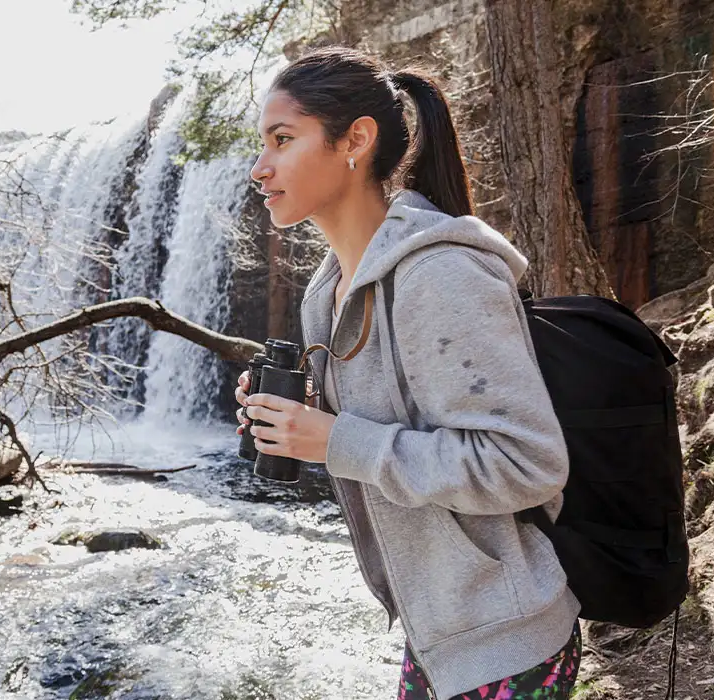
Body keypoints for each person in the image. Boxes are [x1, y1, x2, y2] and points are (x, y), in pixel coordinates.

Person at [233, 46, 583, 700]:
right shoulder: (326, 290)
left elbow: (526, 463)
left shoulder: (442, 274)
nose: (260, 167)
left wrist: (334, 439)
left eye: (282, 140)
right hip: (438, 632)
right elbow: (391, 426)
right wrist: (296, 420)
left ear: (355, 140)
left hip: (507, 640)